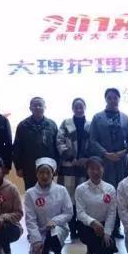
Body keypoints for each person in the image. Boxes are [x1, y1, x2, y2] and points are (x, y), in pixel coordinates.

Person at [90, 88, 128, 239]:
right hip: (104, 162)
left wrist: (122, 152)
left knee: (120, 194)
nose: (112, 100)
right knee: (105, 194)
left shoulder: (125, 118)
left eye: (115, 97)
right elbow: (93, 140)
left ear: (119, 99)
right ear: (105, 99)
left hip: (121, 162)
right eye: (109, 97)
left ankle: (117, 227)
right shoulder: (97, 117)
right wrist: (106, 154)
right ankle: (105, 226)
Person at [23, 157, 73, 254]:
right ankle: (44, 253)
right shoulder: (30, 193)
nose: (44, 176)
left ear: (53, 174)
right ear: (36, 174)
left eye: (48, 173)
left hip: (59, 228)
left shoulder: (61, 190)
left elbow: (68, 213)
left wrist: (54, 221)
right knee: (39, 252)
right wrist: (36, 239)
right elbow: (30, 219)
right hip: (40, 231)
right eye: (41, 172)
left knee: (53, 233)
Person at [75, 156, 119, 254]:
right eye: (92, 169)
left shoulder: (110, 189)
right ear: (87, 170)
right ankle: (89, 252)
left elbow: (111, 213)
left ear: (103, 169)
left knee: (109, 246)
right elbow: (80, 213)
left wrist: (107, 233)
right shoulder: (80, 189)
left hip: (104, 225)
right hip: (87, 226)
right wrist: (93, 223)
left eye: (98, 168)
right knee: (90, 237)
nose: (95, 172)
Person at [57, 97, 91, 240]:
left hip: (85, 167)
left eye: (81, 106)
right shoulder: (66, 123)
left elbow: (93, 142)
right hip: (68, 167)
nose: (78, 109)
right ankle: (72, 230)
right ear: (72, 108)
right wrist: (72, 158)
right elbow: (60, 141)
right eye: (76, 107)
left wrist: (85, 159)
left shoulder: (90, 125)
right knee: (69, 199)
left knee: (82, 198)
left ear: (85, 108)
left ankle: (81, 228)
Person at [13, 97, 59, 190]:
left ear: (45, 107)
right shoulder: (23, 125)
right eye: (35, 105)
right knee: (31, 193)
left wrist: (57, 166)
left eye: (40, 105)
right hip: (29, 167)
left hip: (48, 167)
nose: (37, 107)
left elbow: (57, 147)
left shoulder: (52, 125)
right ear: (30, 108)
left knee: (49, 193)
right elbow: (17, 147)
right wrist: (18, 167)